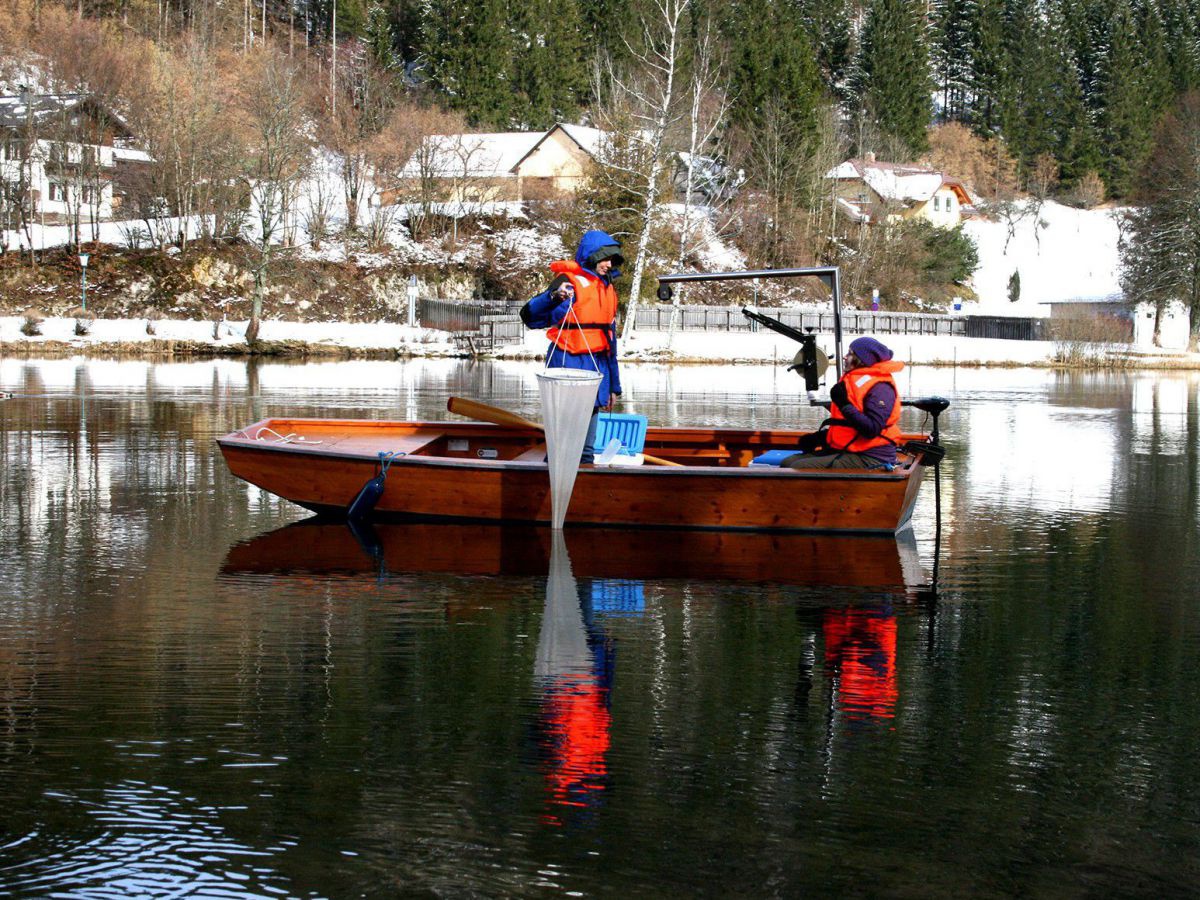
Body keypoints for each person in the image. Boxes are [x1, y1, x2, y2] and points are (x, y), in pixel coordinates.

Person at [523, 230, 624, 463]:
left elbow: (610, 344)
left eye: (612, 260)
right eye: (604, 258)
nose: (609, 264)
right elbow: (532, 317)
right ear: (591, 256)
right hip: (568, 364)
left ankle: (584, 489)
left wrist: (613, 388)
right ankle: (552, 489)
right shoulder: (568, 283)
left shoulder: (607, 289)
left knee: (586, 451)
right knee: (563, 445)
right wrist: (553, 297)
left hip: (598, 368)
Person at [784, 336, 903, 470]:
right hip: (850, 449)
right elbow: (847, 425)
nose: (845, 357)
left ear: (862, 360)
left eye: (850, 354)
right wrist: (818, 438)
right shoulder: (854, 381)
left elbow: (872, 429)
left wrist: (844, 404)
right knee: (788, 462)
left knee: (797, 467)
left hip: (872, 456)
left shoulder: (880, 388)